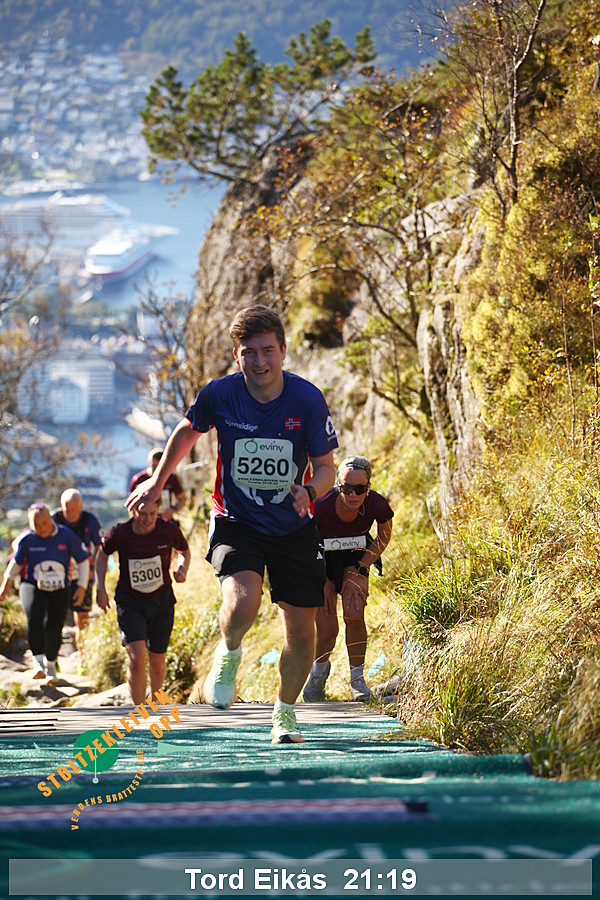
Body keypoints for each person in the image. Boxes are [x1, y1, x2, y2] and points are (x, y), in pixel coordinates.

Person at [126, 305, 338, 744]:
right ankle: (230, 651)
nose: (259, 362)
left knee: (303, 633)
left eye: (267, 351)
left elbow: (325, 467)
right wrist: (156, 482)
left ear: (283, 350)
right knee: (242, 604)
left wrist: (310, 491)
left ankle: (285, 714)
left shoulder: (306, 399)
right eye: (249, 353)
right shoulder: (220, 394)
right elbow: (187, 431)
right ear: (236, 354)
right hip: (235, 519)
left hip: (294, 525)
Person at [303, 456, 393, 703]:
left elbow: (384, 537)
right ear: (338, 486)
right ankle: (317, 676)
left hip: (355, 557)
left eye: (359, 489)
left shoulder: (377, 504)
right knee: (328, 629)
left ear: (368, 487)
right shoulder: (321, 505)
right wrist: (321, 579)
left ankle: (357, 681)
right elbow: (302, 542)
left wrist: (362, 568)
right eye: (346, 488)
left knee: (354, 614)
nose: (353, 495)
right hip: (319, 560)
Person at [95, 500, 191, 704]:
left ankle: (155, 703)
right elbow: (102, 556)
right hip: (130, 602)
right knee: (137, 659)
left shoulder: (168, 530)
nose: (148, 519)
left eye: (153, 513)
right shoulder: (120, 532)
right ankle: (138, 710)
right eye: (143, 514)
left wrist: (182, 569)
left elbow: (184, 551)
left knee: (157, 661)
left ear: (158, 511)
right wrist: (100, 588)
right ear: (133, 511)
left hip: (161, 601)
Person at [0, 503, 90, 681]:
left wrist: (82, 587)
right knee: (35, 616)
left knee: (55, 625)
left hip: (60, 587)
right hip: (32, 584)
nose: (41, 528)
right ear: (31, 524)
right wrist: (6, 584)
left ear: (51, 519)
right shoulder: (27, 539)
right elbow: (17, 563)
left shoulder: (66, 535)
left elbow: (83, 560)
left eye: (44, 523)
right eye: (36, 524)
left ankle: (51, 664)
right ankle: (38, 662)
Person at [52, 488, 102, 649]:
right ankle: (53, 654)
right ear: (62, 506)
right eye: (67, 510)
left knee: (82, 616)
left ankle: (83, 653)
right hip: (58, 574)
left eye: (75, 510)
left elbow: (99, 546)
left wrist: (92, 567)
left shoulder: (90, 520)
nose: (71, 514)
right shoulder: (54, 519)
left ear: (81, 507)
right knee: (54, 617)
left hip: (84, 573)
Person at [129, 448, 186, 521]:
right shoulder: (138, 480)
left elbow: (182, 499)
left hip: (165, 520)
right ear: (149, 463)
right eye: (154, 467)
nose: (157, 471)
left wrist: (172, 509)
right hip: (144, 521)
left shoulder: (171, 478)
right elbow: (131, 506)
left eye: (160, 468)